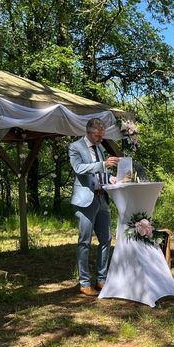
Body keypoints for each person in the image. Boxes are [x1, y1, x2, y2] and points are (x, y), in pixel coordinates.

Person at [69, 118, 119, 296]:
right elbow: (79, 168)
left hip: (101, 199)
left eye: (102, 136)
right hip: (85, 201)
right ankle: (84, 282)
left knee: (106, 239)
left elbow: (101, 173)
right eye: (98, 136)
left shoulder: (99, 148)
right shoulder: (75, 147)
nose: (100, 139)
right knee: (85, 242)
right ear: (89, 132)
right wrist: (103, 164)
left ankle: (101, 280)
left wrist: (110, 178)